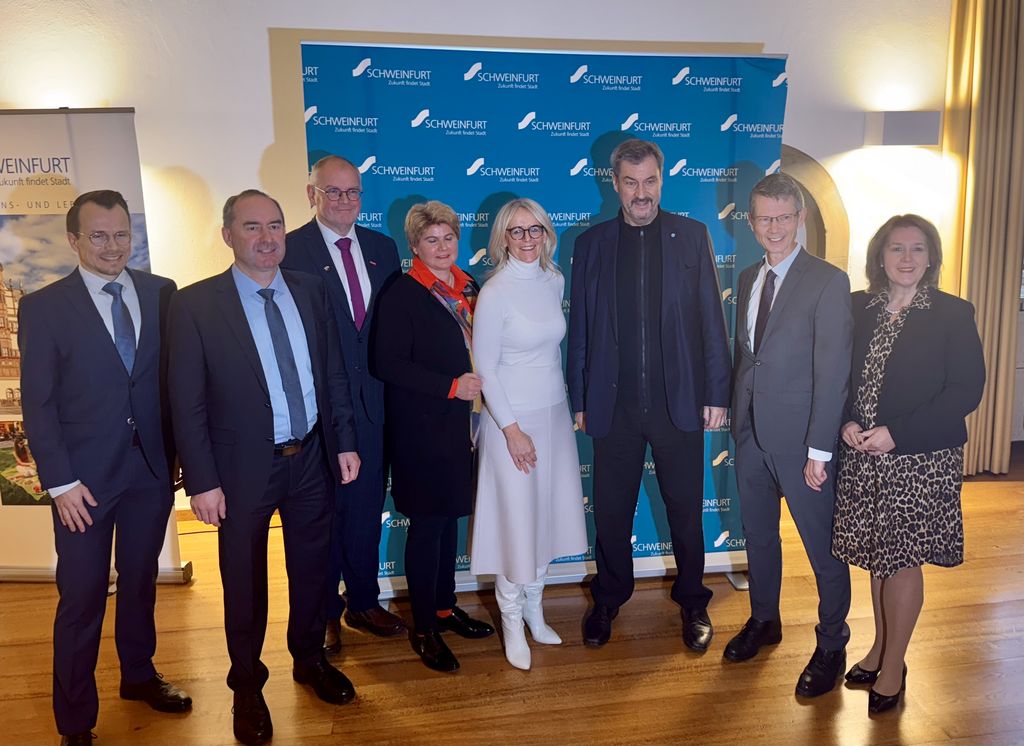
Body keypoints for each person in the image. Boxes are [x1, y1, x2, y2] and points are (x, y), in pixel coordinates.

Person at [168, 189, 361, 745]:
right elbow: (187, 402)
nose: (267, 237)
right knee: (245, 583)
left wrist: (344, 442)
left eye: (275, 224)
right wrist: (202, 481)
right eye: (252, 227)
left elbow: (333, 374)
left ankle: (310, 658)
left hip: (312, 458)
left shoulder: (311, 289)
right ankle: (247, 686)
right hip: (239, 471)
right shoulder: (195, 305)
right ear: (228, 235)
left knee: (312, 570)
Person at [19, 190, 191, 746]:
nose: (113, 246)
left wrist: (181, 456)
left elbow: (175, 381)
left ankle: (138, 675)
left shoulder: (162, 293)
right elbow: (38, 403)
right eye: (98, 235)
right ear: (74, 240)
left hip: (150, 473)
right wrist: (60, 483)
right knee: (82, 597)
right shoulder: (44, 307)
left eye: (121, 234)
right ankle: (75, 721)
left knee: (140, 582)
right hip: (82, 485)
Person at [567, 138, 732, 651]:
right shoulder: (591, 244)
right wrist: (579, 399)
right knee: (611, 512)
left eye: (650, 181)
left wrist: (717, 392)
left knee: (685, 511)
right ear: (615, 184)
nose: (642, 192)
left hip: (677, 402)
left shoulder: (692, 236)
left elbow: (711, 319)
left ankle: (694, 601)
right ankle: (609, 598)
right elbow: (581, 329)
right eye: (631, 182)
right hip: (612, 405)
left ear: (662, 180)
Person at [832, 215, 985, 714]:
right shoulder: (858, 306)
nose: (906, 258)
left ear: (931, 257)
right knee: (880, 556)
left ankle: (894, 665)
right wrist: (847, 421)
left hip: (919, 459)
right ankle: (880, 649)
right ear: (880, 256)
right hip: (864, 455)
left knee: (901, 560)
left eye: (917, 249)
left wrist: (897, 433)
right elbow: (839, 375)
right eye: (897, 248)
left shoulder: (952, 313)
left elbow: (965, 390)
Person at [727, 172, 853, 698]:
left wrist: (820, 450)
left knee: (822, 549)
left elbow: (833, 372)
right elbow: (748, 357)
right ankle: (764, 619)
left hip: (804, 443)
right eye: (764, 218)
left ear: (800, 218)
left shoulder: (828, 281)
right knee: (759, 536)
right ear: (751, 222)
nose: (774, 227)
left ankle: (832, 643)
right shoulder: (748, 275)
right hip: (750, 434)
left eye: (783, 217)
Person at [282, 155, 404, 649]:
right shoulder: (289, 250)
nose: (344, 201)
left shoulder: (382, 247)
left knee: (366, 508)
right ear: (311, 194)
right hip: (319, 410)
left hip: (374, 405)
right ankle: (325, 611)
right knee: (325, 515)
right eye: (333, 191)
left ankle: (363, 600)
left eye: (353, 191)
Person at [373, 200, 495, 673]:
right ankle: (424, 628)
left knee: (449, 523)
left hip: (466, 426)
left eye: (448, 237)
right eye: (431, 240)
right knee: (427, 527)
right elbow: (387, 363)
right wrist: (449, 386)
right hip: (422, 429)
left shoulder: (470, 286)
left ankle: (445, 609)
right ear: (415, 246)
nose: (442, 247)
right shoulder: (403, 293)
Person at [470, 198, 588, 670]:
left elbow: (553, 353)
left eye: (534, 229)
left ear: (546, 233)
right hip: (511, 424)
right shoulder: (494, 292)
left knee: (545, 519)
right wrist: (512, 430)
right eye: (516, 231)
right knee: (516, 524)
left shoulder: (553, 279)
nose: (526, 239)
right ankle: (512, 623)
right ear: (503, 237)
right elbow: (486, 369)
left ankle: (536, 613)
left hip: (554, 416)